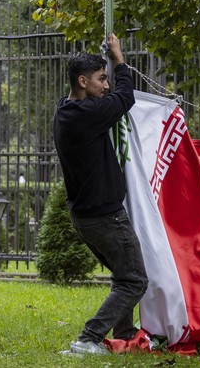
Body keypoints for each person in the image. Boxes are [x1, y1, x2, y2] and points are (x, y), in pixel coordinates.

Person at [53, 33, 148, 356]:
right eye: (100, 79)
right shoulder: (86, 115)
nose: (106, 85)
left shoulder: (65, 109)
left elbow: (112, 98)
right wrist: (120, 60)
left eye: (106, 78)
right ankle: (88, 339)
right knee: (134, 281)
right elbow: (125, 99)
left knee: (122, 277)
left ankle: (126, 333)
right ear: (82, 81)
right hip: (105, 216)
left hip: (86, 217)